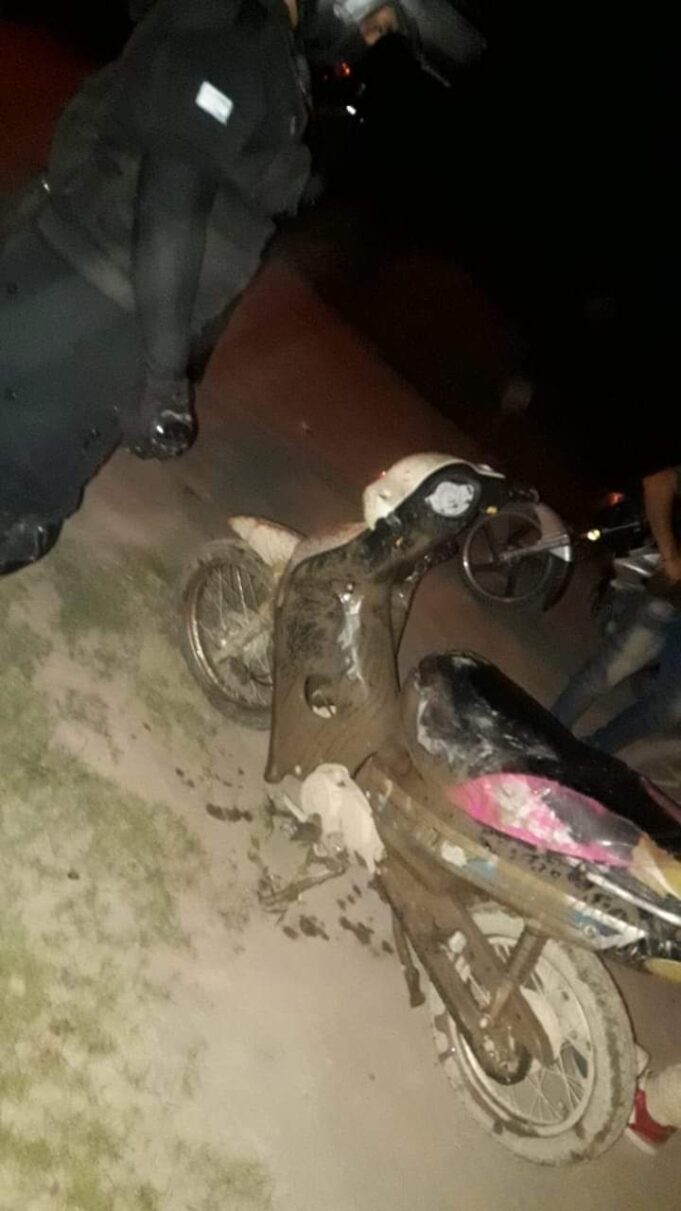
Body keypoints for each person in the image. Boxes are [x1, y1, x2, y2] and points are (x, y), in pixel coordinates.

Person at [0, 0, 485, 576]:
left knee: (24, 504)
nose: (368, 42)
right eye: (376, 25)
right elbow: (170, 197)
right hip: (91, 307)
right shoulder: (238, 41)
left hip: (94, 294)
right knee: (19, 511)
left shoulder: (262, 47)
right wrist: (163, 376)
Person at [553, 466, 681, 752]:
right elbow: (659, 481)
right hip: (670, 599)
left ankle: (592, 752)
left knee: (672, 708)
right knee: (606, 672)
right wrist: (670, 555)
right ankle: (544, 734)